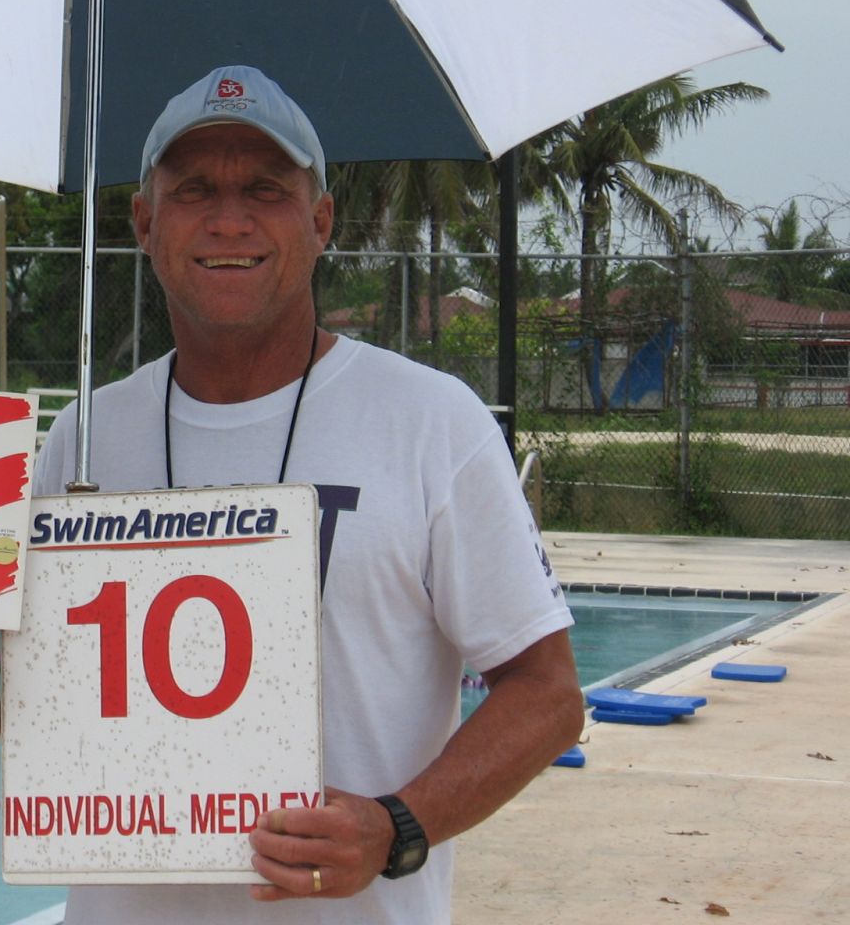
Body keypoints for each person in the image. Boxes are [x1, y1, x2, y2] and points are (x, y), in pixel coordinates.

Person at [33, 65, 582, 924]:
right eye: (193, 190)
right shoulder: (84, 438)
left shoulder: (433, 423)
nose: (229, 219)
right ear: (144, 223)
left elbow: (547, 694)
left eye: (265, 189)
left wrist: (397, 826)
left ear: (320, 221)